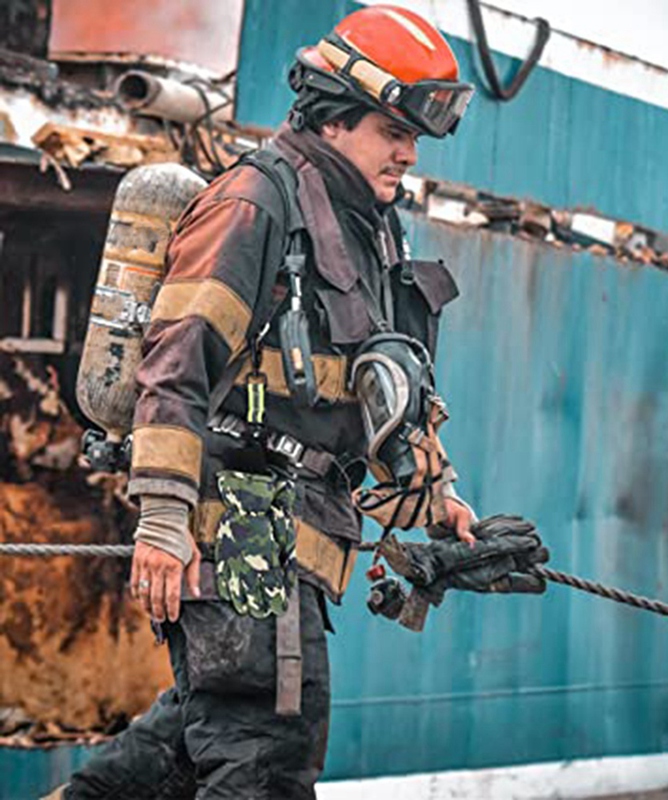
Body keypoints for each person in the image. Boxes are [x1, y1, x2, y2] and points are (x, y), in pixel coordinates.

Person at [51, 5, 475, 798]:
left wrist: (441, 499)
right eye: (395, 132)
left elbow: (373, 384)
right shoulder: (254, 203)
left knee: (187, 749)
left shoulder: (369, 228)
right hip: (242, 533)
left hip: (296, 539)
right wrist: (165, 521)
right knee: (265, 757)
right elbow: (174, 366)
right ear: (339, 118)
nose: (410, 154)